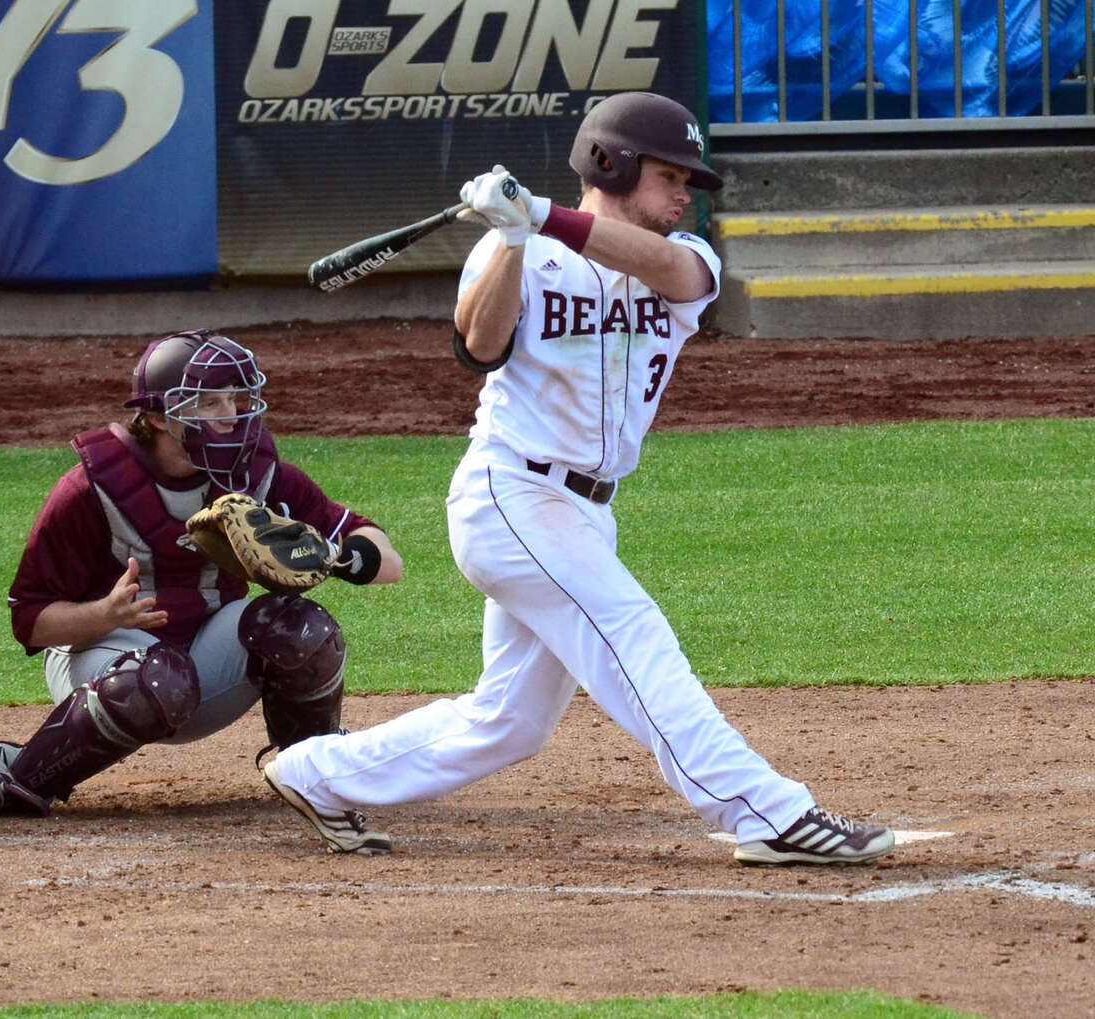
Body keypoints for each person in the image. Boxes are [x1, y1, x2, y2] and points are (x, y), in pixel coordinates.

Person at [260, 91, 895, 865]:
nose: (685, 195)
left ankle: (315, 772)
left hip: (584, 511)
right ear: (613, 163)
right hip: (511, 494)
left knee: (509, 721)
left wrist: (545, 213)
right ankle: (767, 811)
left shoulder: (687, 259)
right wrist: (513, 238)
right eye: (672, 177)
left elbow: (667, 268)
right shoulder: (520, 249)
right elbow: (481, 343)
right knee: (633, 633)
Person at [0, 330, 402, 833]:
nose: (232, 414)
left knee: (303, 628)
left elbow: (386, 558)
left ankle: (312, 772)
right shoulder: (91, 488)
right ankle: (19, 779)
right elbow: (29, 621)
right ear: (161, 416)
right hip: (101, 658)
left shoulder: (259, 475)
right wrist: (103, 615)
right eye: (210, 403)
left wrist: (337, 556)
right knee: (157, 677)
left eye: (238, 398)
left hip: (203, 662)